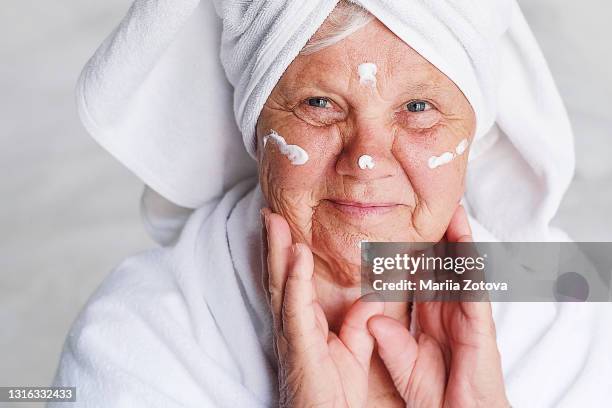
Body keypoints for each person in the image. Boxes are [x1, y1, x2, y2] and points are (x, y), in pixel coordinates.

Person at [50, 0, 612, 407]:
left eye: (418, 107)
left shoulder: (571, 304)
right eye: (320, 103)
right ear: (255, 124)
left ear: (475, 130)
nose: (366, 159)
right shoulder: (136, 337)